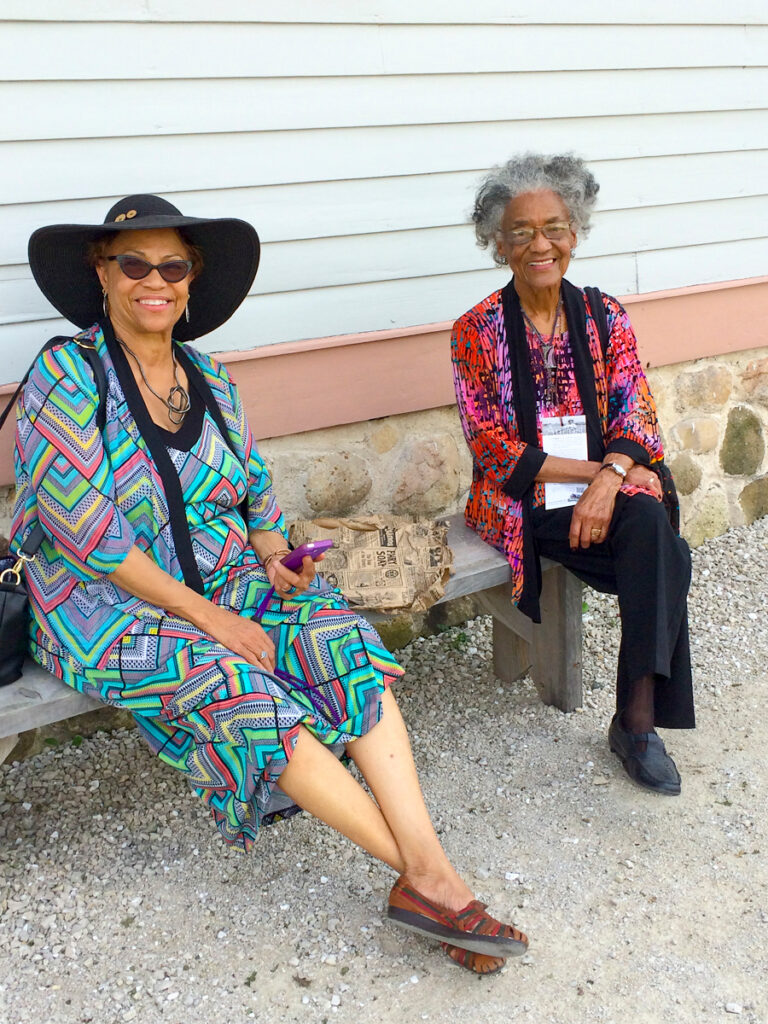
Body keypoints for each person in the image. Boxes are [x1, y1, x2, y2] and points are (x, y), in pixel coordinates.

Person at [11, 194, 527, 975]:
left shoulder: (211, 377)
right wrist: (209, 618)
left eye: (173, 265)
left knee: (337, 638)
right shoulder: (66, 373)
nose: (156, 279)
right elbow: (90, 535)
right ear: (102, 272)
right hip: (98, 601)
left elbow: (257, 506)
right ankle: (437, 885)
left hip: (226, 579)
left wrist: (283, 556)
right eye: (134, 263)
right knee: (234, 684)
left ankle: (426, 871)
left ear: (193, 280)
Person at [451, 154, 694, 795]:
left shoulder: (604, 315)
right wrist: (600, 474)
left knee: (647, 518)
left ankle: (635, 722)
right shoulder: (476, 331)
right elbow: (492, 449)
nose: (541, 243)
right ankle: (638, 726)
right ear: (499, 244)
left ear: (575, 234)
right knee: (665, 551)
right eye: (522, 231)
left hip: (608, 495)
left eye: (554, 227)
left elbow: (636, 414)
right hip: (527, 505)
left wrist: (611, 479)